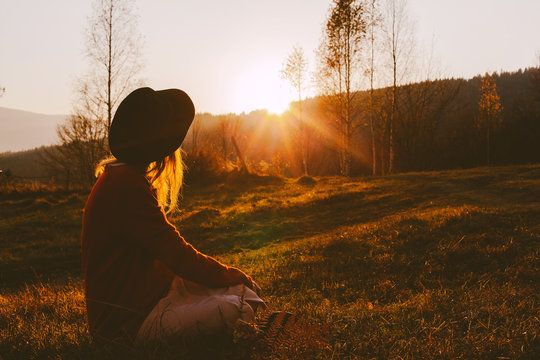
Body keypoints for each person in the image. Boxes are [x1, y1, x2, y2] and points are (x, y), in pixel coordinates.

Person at [81, 87, 264, 346]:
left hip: (152, 297)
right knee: (238, 309)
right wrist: (230, 274)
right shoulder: (125, 186)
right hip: (128, 325)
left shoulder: (122, 177)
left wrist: (230, 279)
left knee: (244, 294)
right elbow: (178, 255)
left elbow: (173, 258)